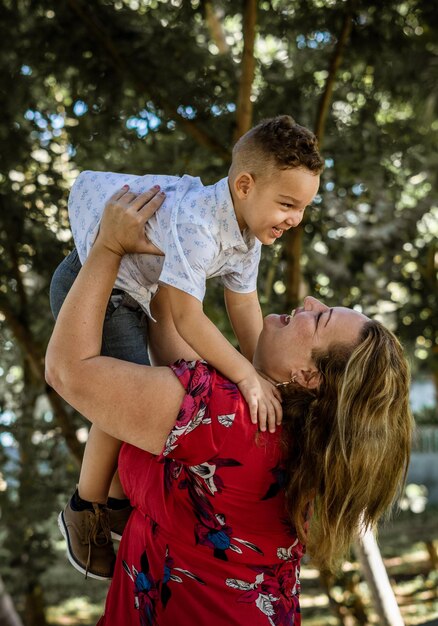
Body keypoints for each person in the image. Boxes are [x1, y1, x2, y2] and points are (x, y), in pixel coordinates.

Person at [45, 186, 413, 626]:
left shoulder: (230, 417)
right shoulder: (299, 442)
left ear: (310, 378)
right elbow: (172, 344)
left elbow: (67, 371)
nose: (310, 302)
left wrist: (107, 244)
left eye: (320, 318)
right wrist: (185, 242)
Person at [50, 115, 323, 578]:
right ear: (243, 185)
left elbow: (245, 309)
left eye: (302, 208)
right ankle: (87, 508)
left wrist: (264, 378)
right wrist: (243, 377)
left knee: (162, 382)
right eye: (286, 204)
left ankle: (116, 500)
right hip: (99, 286)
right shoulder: (198, 222)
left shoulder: (247, 237)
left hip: (139, 293)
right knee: (121, 398)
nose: (294, 219)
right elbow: (187, 316)